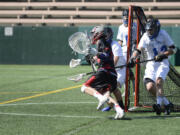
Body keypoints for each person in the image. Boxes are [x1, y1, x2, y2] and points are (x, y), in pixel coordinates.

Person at [128, 17, 176, 115]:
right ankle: (167, 104)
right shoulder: (145, 36)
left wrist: (163, 54)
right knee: (149, 87)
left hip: (163, 62)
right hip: (151, 64)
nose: (149, 32)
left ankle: (158, 105)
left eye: (151, 30)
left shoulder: (163, 34)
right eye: (148, 30)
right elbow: (138, 49)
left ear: (156, 28)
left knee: (159, 82)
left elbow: (173, 49)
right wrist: (132, 58)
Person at [81, 25, 125, 119]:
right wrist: (92, 59)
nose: (92, 36)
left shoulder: (101, 42)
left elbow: (106, 56)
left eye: (94, 34)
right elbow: (102, 58)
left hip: (105, 71)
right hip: (112, 74)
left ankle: (100, 99)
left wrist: (96, 54)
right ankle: (119, 110)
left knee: (84, 87)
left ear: (98, 33)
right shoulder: (102, 43)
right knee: (106, 94)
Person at [101, 27, 125, 112]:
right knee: (103, 88)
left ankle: (121, 106)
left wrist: (109, 68)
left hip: (119, 70)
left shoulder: (115, 45)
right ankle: (112, 104)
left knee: (113, 87)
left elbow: (116, 58)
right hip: (110, 69)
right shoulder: (102, 45)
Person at [116, 9, 136, 95]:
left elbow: (136, 40)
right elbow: (120, 40)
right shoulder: (121, 27)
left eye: (127, 18)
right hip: (124, 51)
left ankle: (134, 88)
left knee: (127, 69)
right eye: (124, 18)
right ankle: (128, 89)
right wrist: (117, 49)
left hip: (133, 50)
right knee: (125, 69)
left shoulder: (135, 26)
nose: (126, 20)